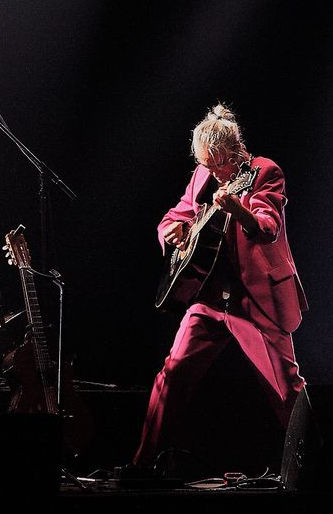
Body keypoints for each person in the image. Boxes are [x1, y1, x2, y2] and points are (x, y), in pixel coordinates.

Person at [132, 104, 308, 469]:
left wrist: (236, 208)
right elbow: (178, 212)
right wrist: (171, 231)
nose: (210, 172)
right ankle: (143, 465)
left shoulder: (264, 171)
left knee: (285, 390)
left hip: (256, 298)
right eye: (205, 165)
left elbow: (267, 227)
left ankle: (317, 469)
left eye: (216, 165)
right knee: (173, 373)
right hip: (211, 298)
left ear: (235, 153)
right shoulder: (202, 174)